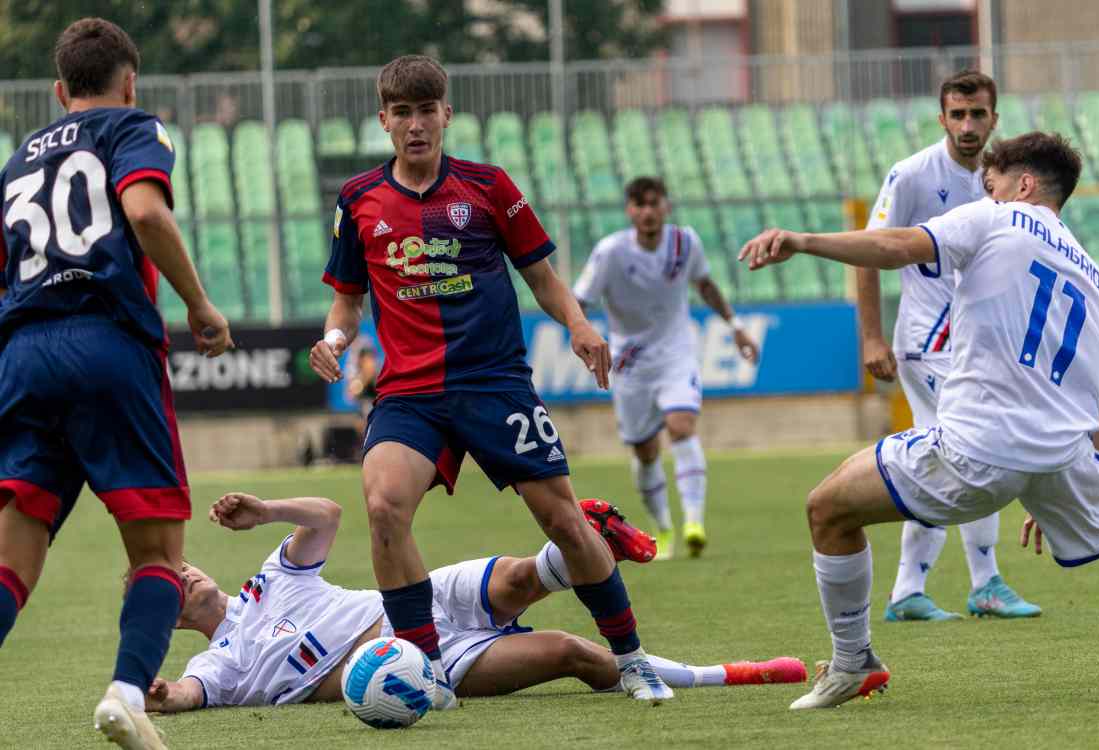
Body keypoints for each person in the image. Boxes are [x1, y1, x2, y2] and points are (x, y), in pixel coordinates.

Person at [737, 131, 1099, 710]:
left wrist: (804, 240)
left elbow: (896, 245)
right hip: (1065, 457)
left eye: (991, 183)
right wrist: (1054, 484)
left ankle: (853, 664)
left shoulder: (996, 218)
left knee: (827, 508)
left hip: (977, 448)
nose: (986, 192)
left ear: (1022, 185)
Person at [308, 55, 673, 707]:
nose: (416, 125)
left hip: (494, 384)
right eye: (402, 113)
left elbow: (542, 277)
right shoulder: (359, 200)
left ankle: (632, 659)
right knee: (384, 507)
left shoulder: (488, 186)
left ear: (446, 114)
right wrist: (335, 341)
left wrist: (579, 325)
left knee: (564, 522)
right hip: (410, 393)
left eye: (427, 111)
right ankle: (428, 671)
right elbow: (346, 301)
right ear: (383, 120)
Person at [0, 17, 232, 749]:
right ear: (130, 82)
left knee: (11, 558)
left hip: (23, 354)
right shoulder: (133, 127)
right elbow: (143, 209)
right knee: (157, 554)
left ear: (59, 90)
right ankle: (129, 696)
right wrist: (200, 304)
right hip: (107, 343)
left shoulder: (17, 163)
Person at [144, 493, 807, 712]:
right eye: (170, 581)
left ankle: (584, 540)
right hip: (426, 663)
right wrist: (149, 691)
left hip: (417, 598)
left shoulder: (269, 578)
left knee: (519, 578)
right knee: (572, 654)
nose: (187, 572)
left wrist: (266, 511)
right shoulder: (218, 666)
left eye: (182, 562)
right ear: (165, 614)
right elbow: (180, 696)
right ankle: (731, 673)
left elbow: (328, 515)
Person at [858, 70, 1039, 621]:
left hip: (974, 343)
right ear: (941, 118)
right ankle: (983, 582)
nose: (967, 125)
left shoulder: (1002, 179)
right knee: (978, 446)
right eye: (957, 114)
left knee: (945, 457)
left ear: (994, 118)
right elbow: (869, 251)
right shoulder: (912, 174)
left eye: (977, 114)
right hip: (927, 341)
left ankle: (908, 590)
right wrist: (871, 336)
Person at [574, 176, 758, 560]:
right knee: (645, 451)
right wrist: (583, 335)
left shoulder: (684, 243)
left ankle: (694, 523)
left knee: (681, 425)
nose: (648, 212)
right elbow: (579, 302)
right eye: (639, 205)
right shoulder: (610, 252)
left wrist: (736, 326)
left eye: (654, 203)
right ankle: (662, 527)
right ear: (630, 211)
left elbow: (705, 285)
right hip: (630, 363)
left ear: (666, 207)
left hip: (676, 353)